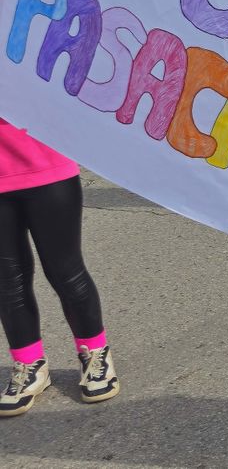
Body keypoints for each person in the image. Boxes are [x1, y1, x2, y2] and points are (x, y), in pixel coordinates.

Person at [0, 120, 118, 416]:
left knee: (66, 272)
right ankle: (29, 365)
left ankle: (95, 354)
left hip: (48, 169)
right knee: (7, 281)